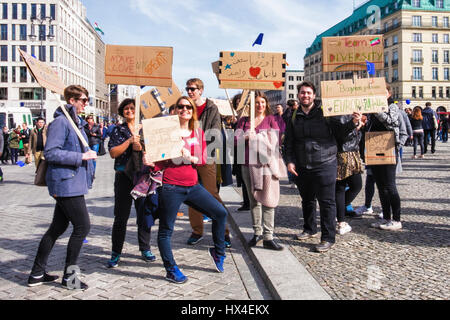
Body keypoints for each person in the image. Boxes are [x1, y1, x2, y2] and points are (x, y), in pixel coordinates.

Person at [143, 96, 228, 283]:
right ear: (174, 111)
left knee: (220, 213)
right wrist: (150, 163)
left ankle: (218, 251)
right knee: (166, 230)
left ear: (192, 111)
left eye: (188, 107)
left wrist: (191, 157)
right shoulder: (165, 133)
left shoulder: (196, 133)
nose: (184, 110)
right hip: (171, 186)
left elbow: (204, 158)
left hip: (192, 185)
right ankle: (171, 269)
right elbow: (158, 164)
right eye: (180, 107)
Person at [27, 85, 97, 290]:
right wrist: (81, 156)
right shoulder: (61, 122)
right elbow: (51, 153)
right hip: (66, 183)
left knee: (57, 228)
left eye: (87, 100)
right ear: (72, 101)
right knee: (83, 227)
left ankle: (36, 274)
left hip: (74, 182)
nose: (86, 104)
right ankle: (70, 278)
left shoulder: (77, 123)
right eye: (83, 100)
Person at [284, 81, 360, 253]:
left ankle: (327, 238)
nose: (305, 95)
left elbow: (340, 131)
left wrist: (353, 122)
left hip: (325, 163)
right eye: (303, 93)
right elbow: (289, 141)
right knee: (307, 200)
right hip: (303, 165)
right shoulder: (294, 116)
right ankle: (310, 228)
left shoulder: (325, 112)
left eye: (308, 93)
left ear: (314, 95)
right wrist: (289, 161)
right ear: (298, 95)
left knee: (327, 202)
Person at [106, 98, 156, 268]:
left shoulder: (146, 128)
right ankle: (116, 252)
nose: (129, 111)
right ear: (122, 112)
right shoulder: (118, 130)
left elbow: (154, 151)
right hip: (123, 177)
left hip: (142, 177)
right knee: (121, 217)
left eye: (132, 108)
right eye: (126, 109)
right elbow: (113, 152)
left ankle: (145, 248)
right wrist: (129, 142)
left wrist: (140, 146)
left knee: (143, 214)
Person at [235, 91, 285, 251]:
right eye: (257, 102)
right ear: (251, 105)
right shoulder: (243, 121)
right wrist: (245, 137)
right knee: (253, 200)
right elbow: (235, 141)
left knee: (269, 200)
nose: (260, 105)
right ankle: (257, 233)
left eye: (262, 102)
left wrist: (257, 137)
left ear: (266, 104)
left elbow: (276, 140)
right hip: (248, 164)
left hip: (266, 165)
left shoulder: (271, 119)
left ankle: (268, 236)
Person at [184, 78, 231, 247]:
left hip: (206, 157)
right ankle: (197, 231)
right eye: (188, 89)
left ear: (201, 90)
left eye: (193, 89)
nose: (190, 92)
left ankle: (224, 232)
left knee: (212, 194)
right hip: (187, 158)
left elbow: (215, 133)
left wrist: (201, 149)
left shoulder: (211, 108)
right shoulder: (185, 107)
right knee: (191, 195)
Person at [368, 84, 407, 231]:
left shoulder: (392, 106)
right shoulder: (373, 108)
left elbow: (392, 122)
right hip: (374, 147)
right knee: (381, 186)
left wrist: (377, 111)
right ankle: (386, 217)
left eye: (382, 91)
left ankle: (397, 219)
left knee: (390, 186)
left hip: (388, 148)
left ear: (389, 93)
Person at [333, 114, 365, 235]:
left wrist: (357, 126)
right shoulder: (336, 114)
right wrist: (354, 125)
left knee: (356, 186)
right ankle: (340, 221)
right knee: (340, 188)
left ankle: (337, 211)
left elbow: (355, 137)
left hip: (352, 153)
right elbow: (341, 135)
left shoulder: (350, 114)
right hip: (342, 154)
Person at [231, 93, 250, 211]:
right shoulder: (238, 118)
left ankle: (250, 201)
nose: (239, 105)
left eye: (241, 102)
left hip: (247, 150)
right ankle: (246, 201)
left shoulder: (248, 118)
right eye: (237, 103)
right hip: (239, 150)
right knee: (242, 177)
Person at [282, 99, 299, 188]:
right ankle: (292, 180)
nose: (297, 106)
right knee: (291, 161)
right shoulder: (291, 114)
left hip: (290, 140)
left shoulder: (286, 114)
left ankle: (292, 179)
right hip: (290, 139)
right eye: (296, 105)